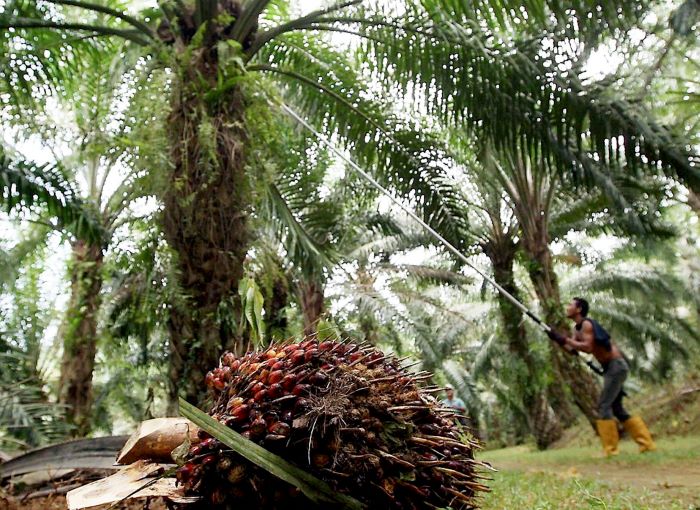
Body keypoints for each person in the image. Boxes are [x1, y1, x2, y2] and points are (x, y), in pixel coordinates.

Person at [548, 297, 656, 456]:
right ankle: (646, 444)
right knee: (617, 409)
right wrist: (557, 340)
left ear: (579, 309)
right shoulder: (576, 329)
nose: (567, 307)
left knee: (604, 405)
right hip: (610, 368)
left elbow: (588, 347)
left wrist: (565, 339)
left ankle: (610, 450)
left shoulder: (587, 324)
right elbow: (573, 351)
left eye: (570, 305)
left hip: (616, 366)